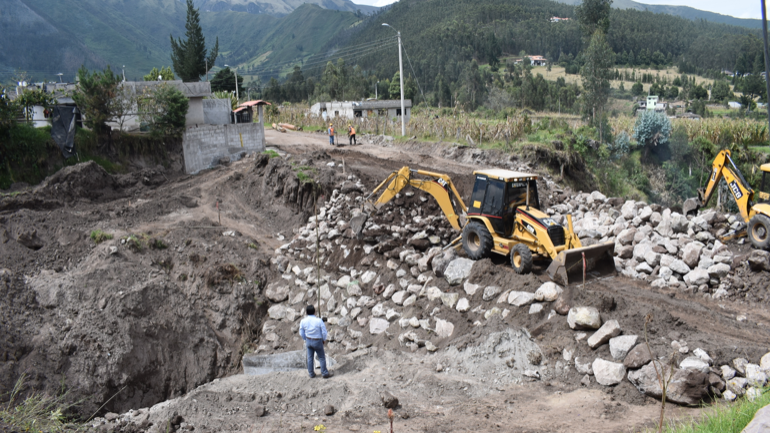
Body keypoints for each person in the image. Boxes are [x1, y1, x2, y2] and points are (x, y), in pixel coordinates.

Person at [299, 305, 333, 378]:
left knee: (310, 357)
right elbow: (324, 332)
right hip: (317, 341)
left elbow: (301, 332)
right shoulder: (319, 320)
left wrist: (305, 339)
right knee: (321, 357)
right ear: (314, 312)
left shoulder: (303, 321)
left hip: (308, 340)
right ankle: (324, 373)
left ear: (306, 312)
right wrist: (323, 339)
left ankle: (311, 373)